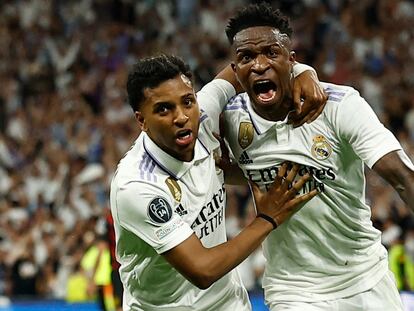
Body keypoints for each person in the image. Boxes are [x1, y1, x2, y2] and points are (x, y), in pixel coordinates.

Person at [212, 2, 414, 310]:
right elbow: (250, 168)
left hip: (364, 277)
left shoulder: (340, 105)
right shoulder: (229, 120)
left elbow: (400, 176)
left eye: (271, 53)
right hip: (293, 289)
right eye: (247, 57)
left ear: (291, 61)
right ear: (235, 70)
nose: (260, 65)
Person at [109, 54, 321, 310]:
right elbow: (203, 270)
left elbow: (247, 66)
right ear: (141, 120)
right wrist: (267, 219)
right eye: (163, 109)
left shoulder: (204, 116)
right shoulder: (137, 186)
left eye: (187, 102)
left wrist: (302, 70)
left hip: (230, 304)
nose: (181, 117)